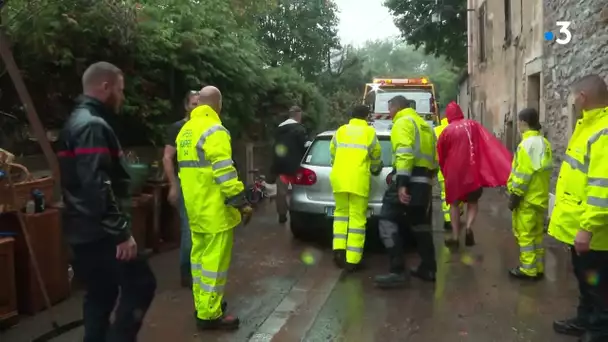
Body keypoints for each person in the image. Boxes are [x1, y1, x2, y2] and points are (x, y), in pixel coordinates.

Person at [57, 61, 156, 342]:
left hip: (82, 228)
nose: (122, 97)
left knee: (101, 293)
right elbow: (96, 184)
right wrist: (120, 234)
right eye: (120, 90)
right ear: (105, 87)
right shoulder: (91, 125)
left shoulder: (78, 120)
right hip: (99, 232)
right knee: (141, 284)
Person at [176, 85, 251, 330]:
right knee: (214, 265)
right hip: (215, 210)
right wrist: (240, 202)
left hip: (195, 209)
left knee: (198, 262)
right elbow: (224, 172)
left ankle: (204, 304)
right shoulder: (215, 130)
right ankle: (210, 315)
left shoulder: (185, 131)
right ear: (218, 104)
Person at [549, 74, 608, 342]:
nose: (572, 102)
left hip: (596, 234)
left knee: (598, 285)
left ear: (582, 98)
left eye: (574, 97)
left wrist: (587, 228)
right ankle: (585, 320)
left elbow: (602, 186)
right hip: (581, 228)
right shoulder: (587, 126)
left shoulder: (603, 132)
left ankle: (599, 331)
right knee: (586, 281)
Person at [374, 95, 437, 287]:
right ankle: (428, 269)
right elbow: (435, 157)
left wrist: (401, 183)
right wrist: (428, 179)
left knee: (386, 220)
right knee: (420, 225)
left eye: (389, 108)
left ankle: (398, 270)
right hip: (424, 182)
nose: (389, 113)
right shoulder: (425, 126)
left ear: (396, 107)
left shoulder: (402, 122)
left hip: (407, 179)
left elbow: (404, 153)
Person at [437, 101, 511, 249]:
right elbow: (486, 142)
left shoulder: (447, 131)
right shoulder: (473, 125)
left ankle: (456, 236)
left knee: (454, 204)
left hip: (454, 173)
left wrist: (444, 170)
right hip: (472, 170)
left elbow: (441, 154)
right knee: (473, 202)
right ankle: (469, 227)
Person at [329, 105, 382, 271]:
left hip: (339, 179)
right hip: (358, 180)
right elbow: (376, 155)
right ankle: (352, 260)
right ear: (366, 117)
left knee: (340, 214)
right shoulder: (369, 132)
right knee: (357, 219)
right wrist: (375, 167)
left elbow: (332, 152)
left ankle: (338, 250)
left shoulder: (341, 131)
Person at [506, 108, 552, 280]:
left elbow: (523, 174)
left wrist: (515, 196)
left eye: (519, 122)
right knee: (537, 236)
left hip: (526, 198)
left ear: (524, 123)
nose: (518, 125)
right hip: (540, 198)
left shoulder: (526, 145)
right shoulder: (544, 143)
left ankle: (528, 269)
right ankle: (537, 267)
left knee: (525, 236)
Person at [162, 90, 199, 288]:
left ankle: (198, 269)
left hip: (203, 186)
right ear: (186, 106)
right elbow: (167, 157)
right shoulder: (178, 128)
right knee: (188, 227)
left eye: (200, 104)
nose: (197, 108)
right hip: (185, 184)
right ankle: (186, 272)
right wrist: (173, 185)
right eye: (193, 104)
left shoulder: (206, 128)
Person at [270, 106, 310, 223]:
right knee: (298, 190)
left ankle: (282, 214)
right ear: (298, 115)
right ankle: (297, 215)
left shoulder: (279, 129)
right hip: (295, 165)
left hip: (281, 164)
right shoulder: (299, 129)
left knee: (281, 192)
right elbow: (305, 146)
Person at [433, 116, 463, 231]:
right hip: (458, 167)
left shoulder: (436, 130)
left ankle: (448, 219)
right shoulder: (459, 130)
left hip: (443, 167)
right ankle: (457, 214)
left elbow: (434, 148)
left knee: (445, 193)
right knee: (458, 191)